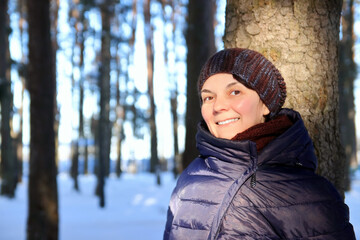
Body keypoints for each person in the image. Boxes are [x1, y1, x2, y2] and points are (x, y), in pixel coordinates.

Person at [163, 48, 356, 240]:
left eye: (235, 92)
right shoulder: (190, 178)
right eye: (208, 97)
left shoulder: (312, 195)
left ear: (265, 104)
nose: (218, 106)